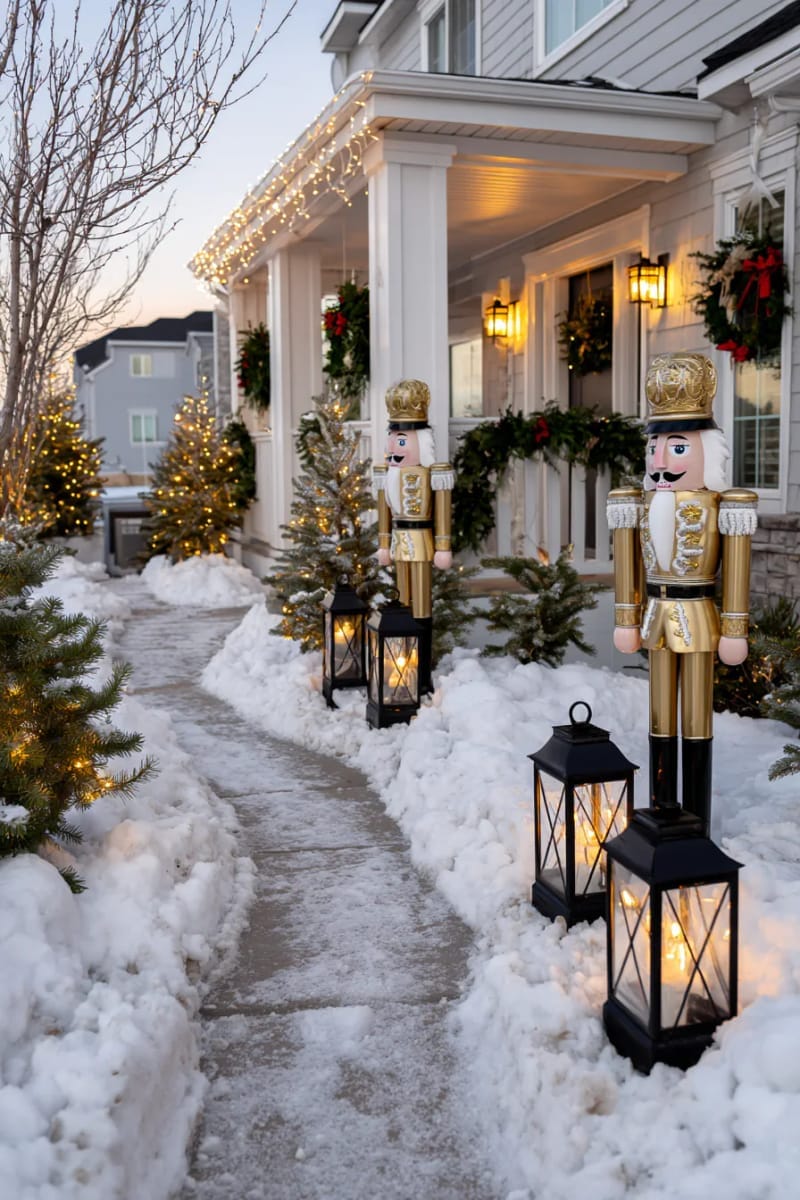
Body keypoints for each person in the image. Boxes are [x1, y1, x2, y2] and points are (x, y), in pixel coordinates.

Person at [607, 351, 757, 834]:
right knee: (658, 719)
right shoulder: (637, 502)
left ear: (706, 451)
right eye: (655, 448)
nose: (659, 461)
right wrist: (626, 617)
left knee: (696, 719)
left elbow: (735, 567)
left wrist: (735, 626)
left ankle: (694, 817)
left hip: (697, 614)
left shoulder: (725, 505)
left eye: (676, 447)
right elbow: (628, 562)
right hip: (655, 614)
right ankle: (660, 805)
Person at [373, 379, 454, 693]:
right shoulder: (387, 475)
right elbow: (385, 511)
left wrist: (443, 545)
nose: (393, 448)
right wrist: (383, 543)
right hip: (398, 542)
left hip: (422, 543)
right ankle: (402, 664)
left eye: (402, 441)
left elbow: (443, 510)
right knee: (402, 602)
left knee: (421, 606)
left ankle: (421, 676)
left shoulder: (435, 472)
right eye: (392, 439)